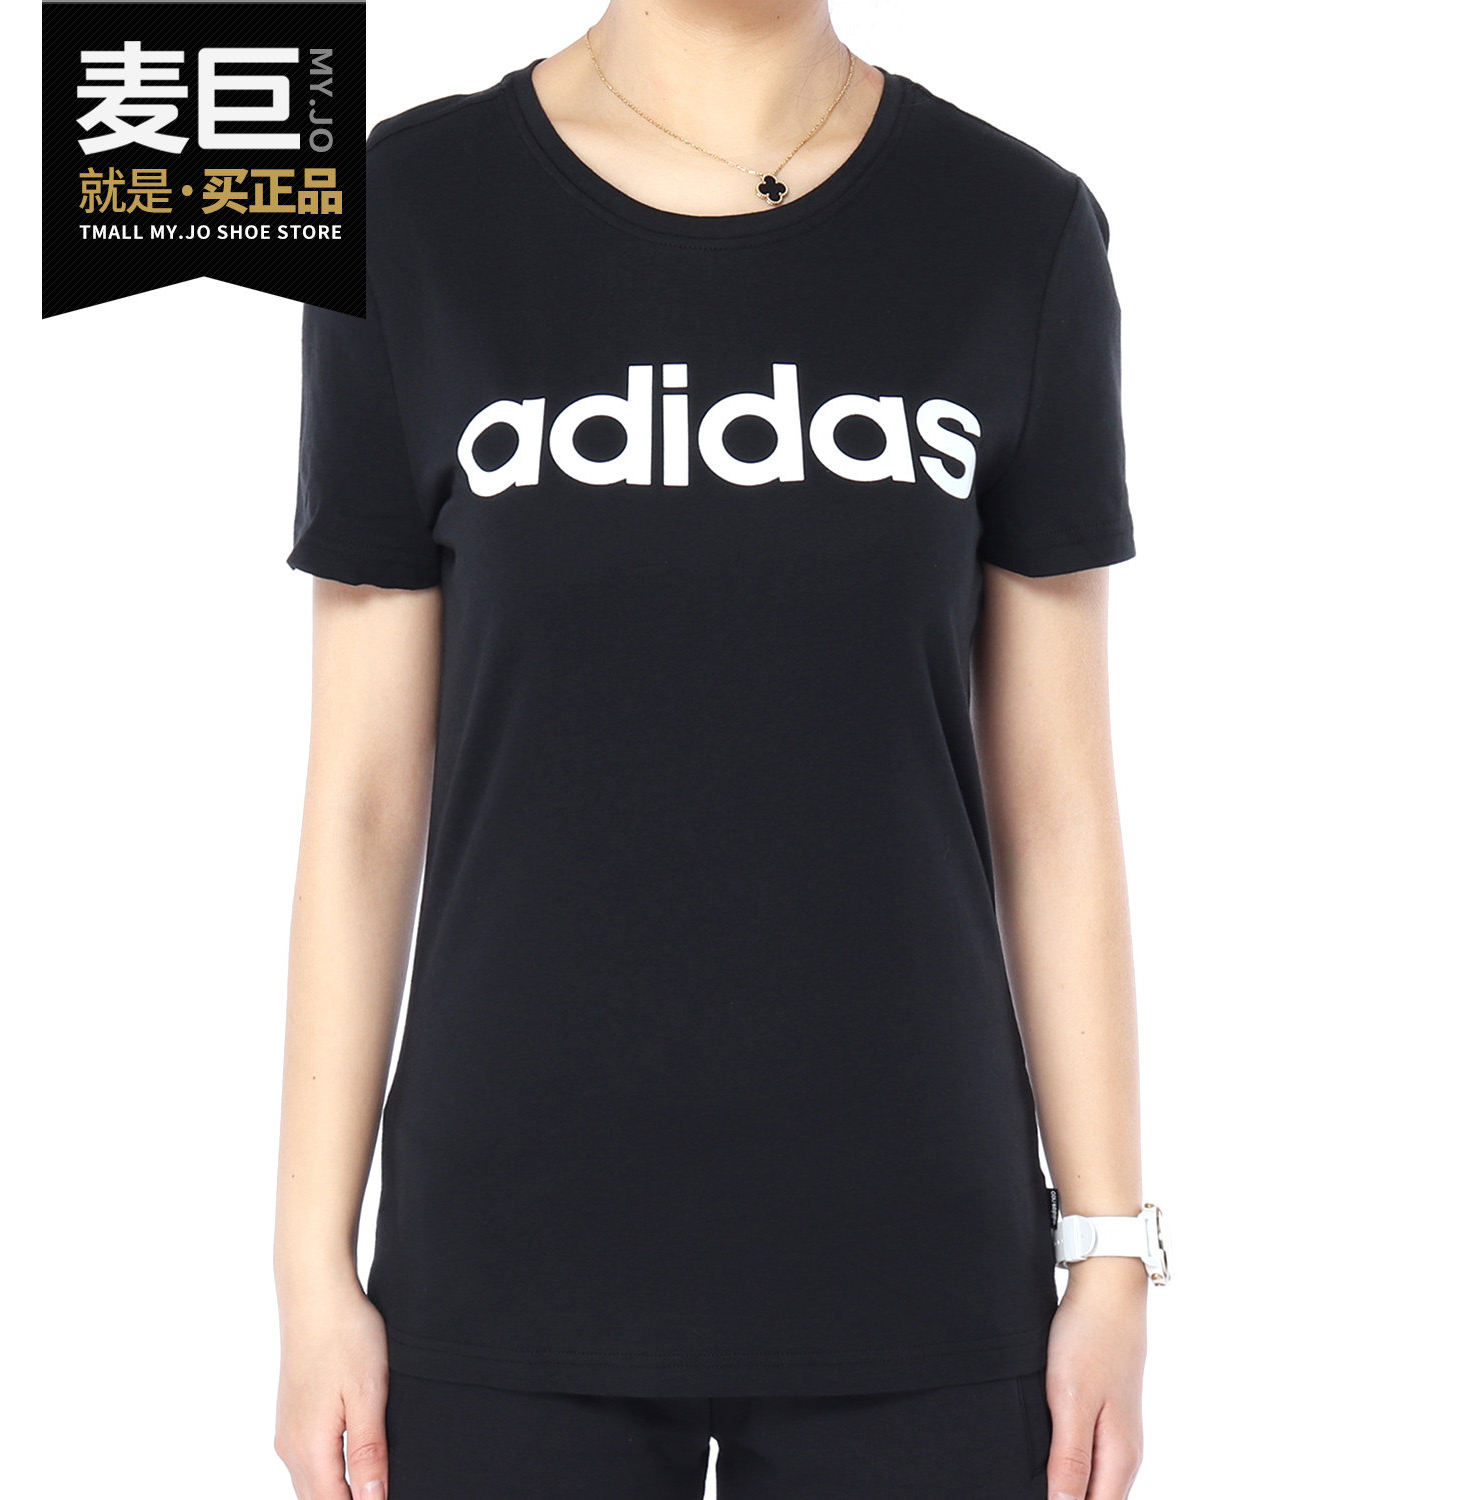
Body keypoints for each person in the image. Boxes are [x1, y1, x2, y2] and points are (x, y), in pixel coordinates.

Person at [272, 4, 1157, 1498]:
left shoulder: (1014, 229)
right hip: (505, 1266)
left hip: (919, 1273)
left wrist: (1112, 1258)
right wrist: (311, 1272)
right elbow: (362, 802)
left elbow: (1058, 806)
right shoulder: (411, 214)